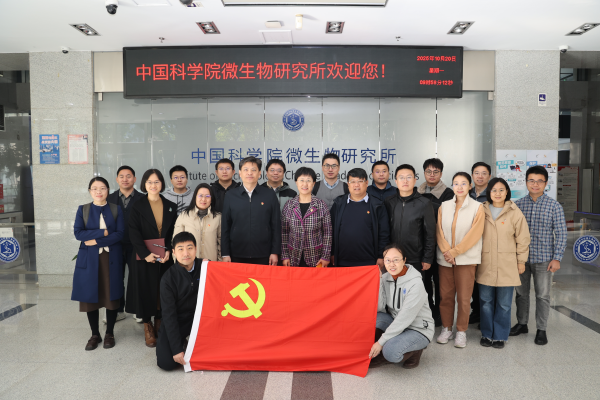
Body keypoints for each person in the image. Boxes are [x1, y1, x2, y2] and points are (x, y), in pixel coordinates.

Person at [511, 165, 567, 345]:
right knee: (521, 294)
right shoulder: (518, 205)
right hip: (522, 259)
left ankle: (541, 329)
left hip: (544, 259)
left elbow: (561, 233)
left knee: (542, 295)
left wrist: (557, 258)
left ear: (546, 183)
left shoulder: (554, 206)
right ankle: (522, 324)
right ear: (526, 182)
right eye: (531, 181)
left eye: (539, 181)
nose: (535, 184)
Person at [126, 168, 178, 348]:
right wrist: (145, 254)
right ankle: (147, 325)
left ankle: (159, 323)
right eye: (149, 182)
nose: (153, 185)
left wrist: (170, 250)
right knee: (145, 290)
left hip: (164, 258)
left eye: (156, 182)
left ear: (162, 184)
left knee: (162, 290)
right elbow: (133, 232)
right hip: (144, 257)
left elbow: (173, 231)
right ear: (144, 184)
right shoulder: (137, 205)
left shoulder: (171, 205)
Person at [72, 177, 125, 351]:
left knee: (111, 295)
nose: (99, 191)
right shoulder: (83, 209)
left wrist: (96, 240)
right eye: (94, 188)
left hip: (111, 258)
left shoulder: (116, 209)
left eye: (102, 188)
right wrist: (103, 232)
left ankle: (110, 333)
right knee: (90, 296)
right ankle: (95, 334)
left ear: (108, 190)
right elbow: (79, 233)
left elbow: (120, 234)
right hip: (90, 259)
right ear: (90, 191)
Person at [478, 178, 530, 348]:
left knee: (504, 304)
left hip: (507, 264)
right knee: (485, 302)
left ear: (507, 192)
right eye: (494, 190)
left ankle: (500, 336)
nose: (498, 193)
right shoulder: (481, 210)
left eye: (501, 190)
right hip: (485, 263)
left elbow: (523, 239)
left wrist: (521, 261)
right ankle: (486, 334)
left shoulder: (515, 212)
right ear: (489, 192)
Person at [384, 164, 438, 323]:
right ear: (395, 181)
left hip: (415, 258)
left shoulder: (424, 203)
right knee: (394, 293)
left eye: (409, 177)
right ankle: (395, 324)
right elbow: (384, 230)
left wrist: (427, 258)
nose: (405, 181)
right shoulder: (389, 202)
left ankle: (418, 325)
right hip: (393, 260)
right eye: (401, 177)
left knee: (415, 294)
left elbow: (430, 233)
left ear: (415, 180)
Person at [435, 172, 484, 348]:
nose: (460, 187)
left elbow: (474, 234)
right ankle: (447, 328)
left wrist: (455, 252)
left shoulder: (478, 207)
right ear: (452, 186)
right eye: (456, 183)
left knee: (464, 298)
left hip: (466, 259)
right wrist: (447, 252)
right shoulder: (444, 206)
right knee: (445, 296)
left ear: (470, 186)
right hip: (445, 260)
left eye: (464, 183)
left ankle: (461, 331)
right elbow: (439, 231)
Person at [369, 244, 434, 369]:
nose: (392, 264)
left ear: (404, 260)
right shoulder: (386, 278)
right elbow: (380, 308)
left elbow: (405, 318)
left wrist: (380, 343)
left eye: (396, 260)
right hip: (397, 323)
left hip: (418, 329)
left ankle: (415, 350)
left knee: (390, 351)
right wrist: (379, 281)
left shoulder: (415, 283)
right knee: (374, 319)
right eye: (388, 260)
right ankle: (395, 343)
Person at [221, 156, 281, 266]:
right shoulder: (230, 195)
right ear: (240, 173)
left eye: (253, 170)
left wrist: (275, 252)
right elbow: (225, 226)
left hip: (264, 254)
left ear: (259, 173)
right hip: (236, 253)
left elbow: (276, 226)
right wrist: (225, 254)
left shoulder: (269, 195)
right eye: (246, 170)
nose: (249, 173)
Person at [156, 232, 202, 371]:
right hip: (178, 320)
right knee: (166, 363)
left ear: (196, 249)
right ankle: (182, 343)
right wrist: (176, 349)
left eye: (190, 248)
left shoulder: (205, 268)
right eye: (181, 249)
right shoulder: (168, 279)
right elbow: (169, 315)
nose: (186, 253)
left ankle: (191, 342)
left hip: (199, 320)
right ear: (174, 252)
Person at [330, 168, 389, 269]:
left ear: (367, 183)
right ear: (348, 184)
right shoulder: (338, 204)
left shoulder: (377, 205)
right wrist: (332, 253)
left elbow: (384, 233)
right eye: (352, 181)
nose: (356, 185)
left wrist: (381, 256)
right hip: (342, 261)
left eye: (360, 181)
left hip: (369, 261)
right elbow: (331, 231)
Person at [107, 165, 143, 323]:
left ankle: (137, 310)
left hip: (136, 245)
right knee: (116, 278)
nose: (125, 179)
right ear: (117, 179)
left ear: (134, 179)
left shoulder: (143, 198)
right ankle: (118, 310)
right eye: (121, 176)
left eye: (129, 176)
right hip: (115, 245)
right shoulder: (109, 199)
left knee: (137, 278)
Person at [281, 167, 332, 268]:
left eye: (308, 180)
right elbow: (284, 233)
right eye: (301, 180)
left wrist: (325, 256)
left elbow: (328, 233)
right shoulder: (289, 205)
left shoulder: (321, 205)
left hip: (316, 257)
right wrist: (285, 256)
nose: (305, 184)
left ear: (313, 183)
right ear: (296, 182)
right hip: (293, 257)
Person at [468, 161, 492, 326]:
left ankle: (485, 314)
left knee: (484, 281)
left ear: (489, 176)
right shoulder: (466, 193)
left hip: (486, 243)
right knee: (472, 281)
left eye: (484, 173)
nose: (480, 176)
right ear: (472, 175)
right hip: (469, 244)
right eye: (477, 173)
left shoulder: (493, 194)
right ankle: (476, 311)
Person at [173, 183, 221, 261]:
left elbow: (221, 243)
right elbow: (176, 241)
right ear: (195, 197)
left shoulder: (217, 217)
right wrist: (179, 263)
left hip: (211, 263)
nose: (203, 199)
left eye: (207, 196)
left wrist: (219, 263)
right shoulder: (184, 216)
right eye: (200, 196)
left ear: (211, 199)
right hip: (189, 263)